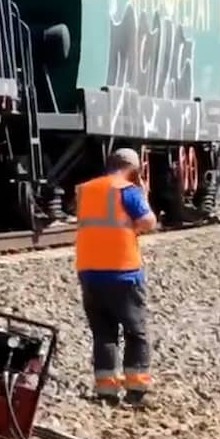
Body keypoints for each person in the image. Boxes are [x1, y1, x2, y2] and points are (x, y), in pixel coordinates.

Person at [74, 148, 157, 407]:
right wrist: (142, 193)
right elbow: (148, 222)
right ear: (132, 169)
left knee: (104, 335)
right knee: (136, 332)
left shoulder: (85, 189)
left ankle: (106, 392)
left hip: (89, 273)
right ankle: (136, 391)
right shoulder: (127, 190)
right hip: (123, 273)